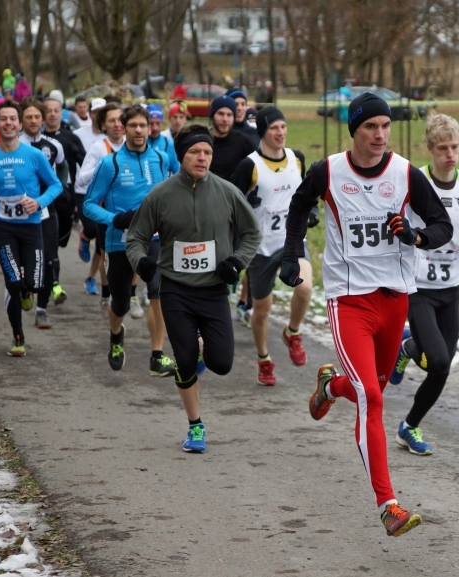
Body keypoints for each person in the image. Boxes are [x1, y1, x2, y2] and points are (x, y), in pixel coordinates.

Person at [279, 92, 452, 537]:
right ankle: (387, 504)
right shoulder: (328, 171)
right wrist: (293, 254)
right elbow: (299, 207)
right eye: (370, 127)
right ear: (353, 130)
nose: (379, 135)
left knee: (367, 387)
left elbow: (442, 227)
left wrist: (415, 236)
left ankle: (330, 386)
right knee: (373, 399)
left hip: (395, 299)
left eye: (385, 126)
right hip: (349, 300)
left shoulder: (406, 173)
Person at [126, 124, 261, 452]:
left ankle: (199, 343)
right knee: (185, 360)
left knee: (221, 363)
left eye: (207, 153)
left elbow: (252, 233)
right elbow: (136, 237)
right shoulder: (161, 195)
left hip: (214, 290)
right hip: (176, 290)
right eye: (194, 153)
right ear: (181, 156)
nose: (202, 158)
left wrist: (236, 262)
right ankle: (195, 426)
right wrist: (141, 262)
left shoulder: (227, 192)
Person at [389, 114, 459, 455]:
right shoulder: (414, 181)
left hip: (451, 286)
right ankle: (408, 349)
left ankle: (409, 426)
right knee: (437, 361)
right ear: (429, 149)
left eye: (455, 147)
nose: (450, 155)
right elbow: (393, 220)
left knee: (442, 366)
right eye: (442, 149)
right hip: (417, 285)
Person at [83, 105, 175, 376]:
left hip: (154, 237)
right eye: (132, 125)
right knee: (121, 302)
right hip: (119, 240)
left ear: (150, 128)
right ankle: (115, 336)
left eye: (142, 125)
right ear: (123, 128)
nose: (138, 130)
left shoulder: (160, 158)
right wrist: (116, 219)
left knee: (158, 290)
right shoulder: (110, 163)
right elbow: (88, 205)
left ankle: (157, 355)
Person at [232, 106, 316, 385]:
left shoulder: (297, 159)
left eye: (283, 127)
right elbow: (231, 203)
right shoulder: (249, 166)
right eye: (274, 128)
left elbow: (304, 194)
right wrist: (247, 204)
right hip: (261, 247)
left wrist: (310, 212)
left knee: (304, 287)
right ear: (263, 132)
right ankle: (264, 359)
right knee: (262, 310)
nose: (280, 133)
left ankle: (292, 332)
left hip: (292, 241)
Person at [0, 102, 63, 356]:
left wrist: (39, 202)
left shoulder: (34, 155)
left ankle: (28, 289)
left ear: (19, 124)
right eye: (4, 119)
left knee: (34, 283)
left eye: (13, 119)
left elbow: (55, 185)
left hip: (32, 226)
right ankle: (18, 336)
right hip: (2, 227)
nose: (9, 123)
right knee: (12, 281)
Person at [18, 97, 69, 329]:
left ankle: (42, 310)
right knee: (26, 261)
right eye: (28, 117)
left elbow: (63, 165)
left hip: (46, 210)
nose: (34, 120)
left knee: (48, 260)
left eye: (37, 116)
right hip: (18, 213)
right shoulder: (15, 144)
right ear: (22, 120)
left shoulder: (52, 145)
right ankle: (26, 287)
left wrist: (63, 188)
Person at [75, 103, 124, 300]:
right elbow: (81, 179)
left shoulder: (134, 143)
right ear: (103, 126)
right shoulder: (98, 147)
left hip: (128, 206)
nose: (117, 124)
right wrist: (103, 169)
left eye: (120, 120)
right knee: (107, 253)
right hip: (104, 208)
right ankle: (107, 292)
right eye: (112, 121)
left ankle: (130, 293)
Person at [43, 94, 86, 303]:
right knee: (48, 242)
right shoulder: (36, 138)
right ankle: (54, 285)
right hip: (42, 197)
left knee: (59, 242)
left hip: (65, 196)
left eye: (56, 110)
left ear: (62, 113)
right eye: (48, 111)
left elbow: (85, 163)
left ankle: (49, 275)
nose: (52, 114)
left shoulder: (70, 138)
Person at [207, 96, 255, 180]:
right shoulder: (203, 142)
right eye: (221, 114)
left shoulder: (243, 141)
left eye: (229, 115)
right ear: (212, 115)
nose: (225, 119)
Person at [146, 105, 180, 174]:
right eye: (151, 123)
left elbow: (177, 172)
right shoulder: (139, 143)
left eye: (158, 123)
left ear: (162, 123)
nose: (155, 128)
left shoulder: (169, 144)